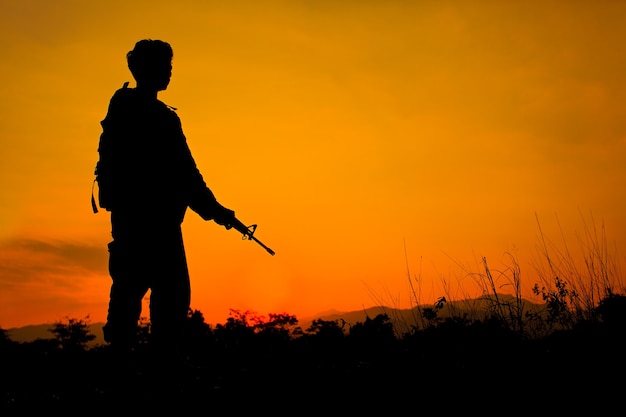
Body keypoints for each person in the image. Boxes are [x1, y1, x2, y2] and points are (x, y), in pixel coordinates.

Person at [96, 39, 236, 369]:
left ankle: (133, 367)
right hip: (152, 224)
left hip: (139, 221)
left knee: (136, 296)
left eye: (170, 65)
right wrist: (215, 210)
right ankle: (153, 371)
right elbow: (186, 174)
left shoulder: (127, 109)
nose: (170, 71)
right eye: (164, 65)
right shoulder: (153, 116)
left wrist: (213, 209)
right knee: (157, 299)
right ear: (145, 68)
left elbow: (184, 174)